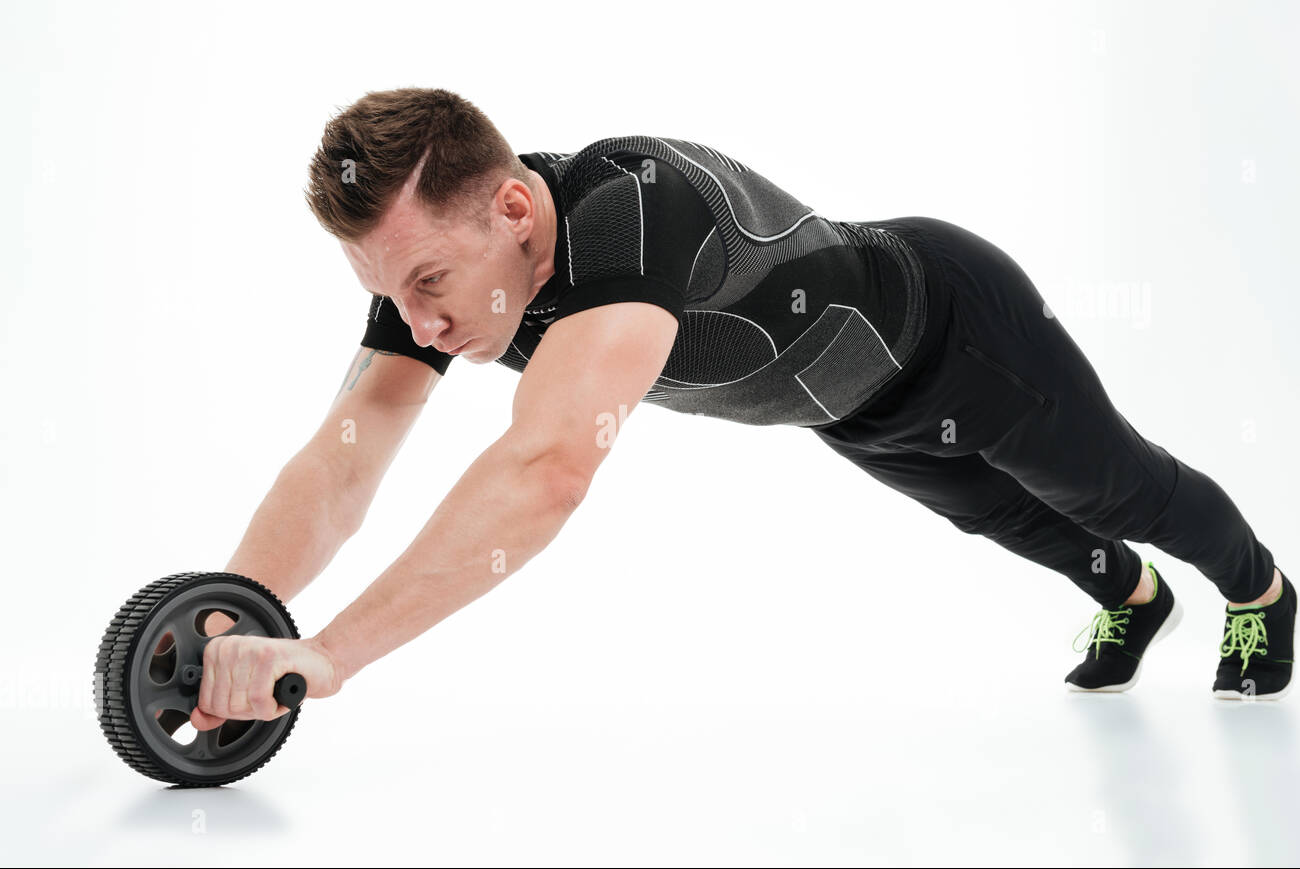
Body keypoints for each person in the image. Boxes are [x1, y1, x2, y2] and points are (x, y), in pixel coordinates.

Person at [189, 87, 1294, 732]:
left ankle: (1259, 590)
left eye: (424, 283)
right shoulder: (439, 278)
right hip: (853, 412)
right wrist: (231, 612)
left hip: (958, 331)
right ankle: (1135, 598)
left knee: (1111, 486)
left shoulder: (633, 210)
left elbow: (547, 468)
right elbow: (342, 458)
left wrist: (328, 655)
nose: (413, 324)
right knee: (1001, 518)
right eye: (387, 294)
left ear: (515, 208)